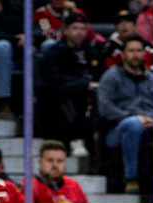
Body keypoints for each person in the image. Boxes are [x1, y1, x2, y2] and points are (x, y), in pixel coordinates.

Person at [37, 12, 103, 156]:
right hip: (59, 98)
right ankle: (75, 139)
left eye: (82, 29)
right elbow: (54, 79)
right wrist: (84, 85)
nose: (79, 32)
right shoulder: (55, 52)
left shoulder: (93, 52)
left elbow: (101, 76)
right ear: (65, 30)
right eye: (75, 28)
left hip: (91, 95)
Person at [98, 35, 153, 195]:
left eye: (139, 51)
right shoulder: (112, 76)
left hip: (149, 127)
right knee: (133, 124)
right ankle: (131, 179)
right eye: (131, 51)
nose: (135, 55)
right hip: (117, 130)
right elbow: (105, 107)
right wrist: (133, 117)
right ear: (123, 54)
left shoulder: (151, 78)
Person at [30, 139, 90, 203]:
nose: (55, 165)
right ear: (40, 161)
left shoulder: (74, 186)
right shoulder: (29, 187)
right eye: (50, 160)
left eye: (60, 161)